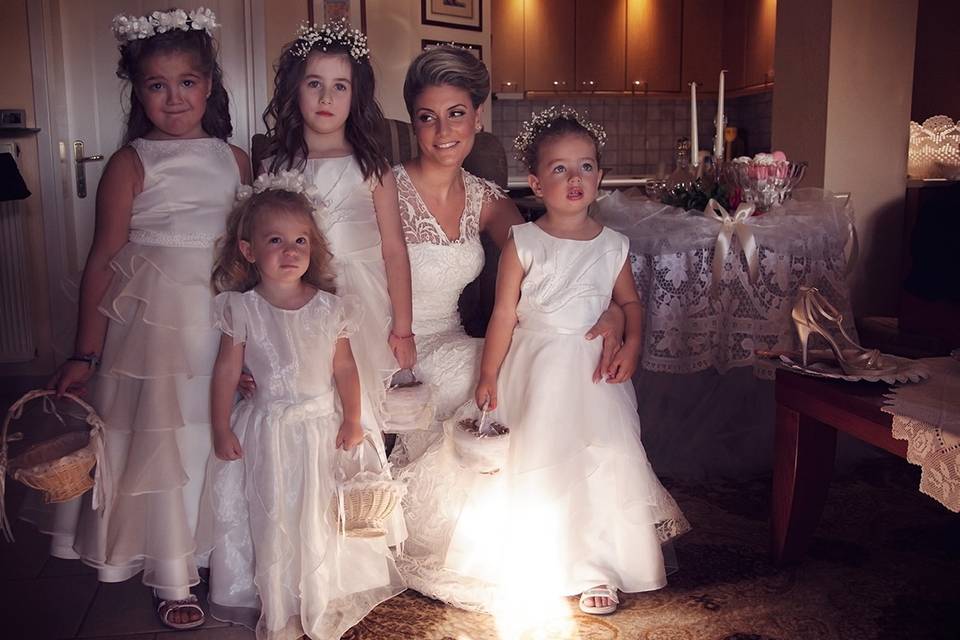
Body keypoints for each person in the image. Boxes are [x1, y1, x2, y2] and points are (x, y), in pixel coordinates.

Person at [388, 47, 630, 612]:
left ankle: (536, 543)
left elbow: (555, 261)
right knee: (489, 377)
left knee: (516, 374)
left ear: (477, 118)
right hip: (384, 337)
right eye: (427, 116)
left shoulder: (487, 199)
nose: (444, 130)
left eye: (457, 113)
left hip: (445, 335)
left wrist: (613, 310)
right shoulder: (384, 188)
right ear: (412, 123)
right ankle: (479, 547)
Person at [38, 8, 251, 630]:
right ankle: (171, 570)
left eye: (187, 82)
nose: (174, 97)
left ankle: (215, 550)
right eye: (157, 85)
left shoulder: (236, 161)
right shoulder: (130, 163)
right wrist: (85, 354)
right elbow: (103, 260)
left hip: (218, 321)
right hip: (150, 334)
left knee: (213, 437)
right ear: (139, 92)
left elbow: (254, 248)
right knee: (161, 443)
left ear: (209, 84)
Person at [474, 106, 690, 615]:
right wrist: (488, 374)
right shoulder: (522, 242)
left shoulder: (613, 245)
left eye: (586, 167)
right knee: (538, 457)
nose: (575, 178)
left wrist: (633, 342)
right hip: (536, 367)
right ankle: (541, 557)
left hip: (594, 376)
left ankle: (599, 566)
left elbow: (631, 304)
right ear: (535, 182)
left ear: (600, 176)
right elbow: (504, 313)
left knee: (599, 462)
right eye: (559, 169)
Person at [197, 179, 404, 639]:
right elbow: (226, 372)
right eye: (276, 241)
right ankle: (281, 603)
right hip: (265, 431)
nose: (290, 251)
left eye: (300, 241)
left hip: (318, 429)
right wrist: (219, 427)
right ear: (248, 251)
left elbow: (346, 369)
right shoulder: (241, 309)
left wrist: (352, 418)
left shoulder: (331, 308)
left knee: (317, 513)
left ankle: (321, 592)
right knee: (273, 514)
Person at [260, 20, 414, 461]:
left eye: (340, 86)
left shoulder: (373, 167)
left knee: (359, 394)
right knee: (311, 394)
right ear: (296, 91)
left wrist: (402, 327)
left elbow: (393, 250)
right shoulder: (277, 166)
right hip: (301, 293)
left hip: (362, 294)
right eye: (315, 84)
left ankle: (362, 493)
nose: (327, 98)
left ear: (356, 96)